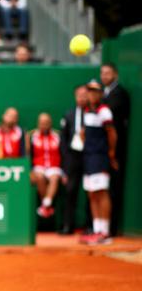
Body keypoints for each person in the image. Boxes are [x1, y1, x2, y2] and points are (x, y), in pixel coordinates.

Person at [80, 80, 117, 245]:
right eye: (89, 91)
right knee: (91, 193)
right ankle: (96, 230)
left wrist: (111, 153)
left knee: (101, 192)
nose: (92, 94)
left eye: (95, 91)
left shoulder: (105, 111)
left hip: (100, 156)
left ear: (100, 94)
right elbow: (84, 133)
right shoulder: (87, 110)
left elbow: (111, 133)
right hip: (88, 156)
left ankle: (105, 232)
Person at [100, 63, 130, 237]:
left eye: (108, 73)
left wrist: (112, 152)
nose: (104, 76)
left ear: (115, 74)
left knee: (114, 189)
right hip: (104, 150)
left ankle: (112, 228)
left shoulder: (119, 94)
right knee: (102, 189)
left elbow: (109, 119)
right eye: (102, 73)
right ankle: (102, 227)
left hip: (115, 151)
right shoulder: (106, 93)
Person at [60, 85, 89, 235]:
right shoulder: (69, 114)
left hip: (89, 156)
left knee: (91, 190)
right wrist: (65, 162)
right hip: (72, 157)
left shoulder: (93, 113)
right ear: (75, 97)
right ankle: (67, 225)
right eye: (79, 95)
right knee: (70, 191)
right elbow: (63, 139)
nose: (82, 98)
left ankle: (90, 227)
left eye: (85, 95)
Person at [29, 113, 62, 218]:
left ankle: (45, 204)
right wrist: (29, 171)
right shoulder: (32, 136)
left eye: (46, 123)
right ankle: (47, 205)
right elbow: (27, 154)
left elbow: (64, 154)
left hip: (54, 167)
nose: (44, 125)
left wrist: (65, 172)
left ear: (50, 123)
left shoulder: (57, 136)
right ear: (38, 124)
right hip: (39, 167)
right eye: (42, 123)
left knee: (55, 178)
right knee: (39, 176)